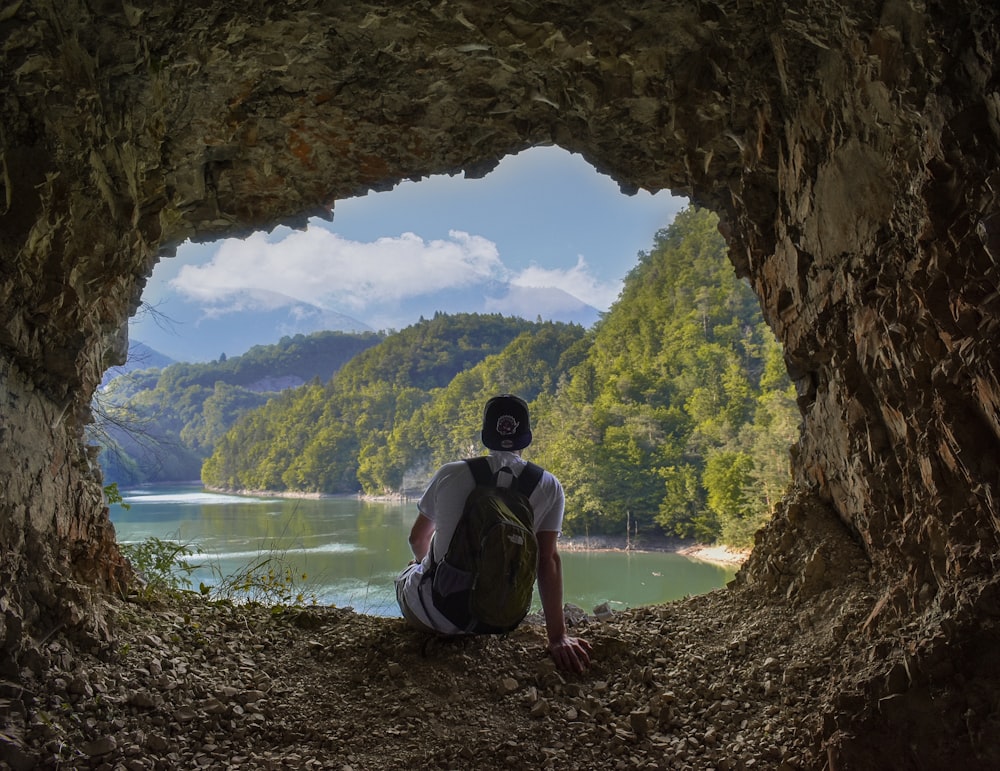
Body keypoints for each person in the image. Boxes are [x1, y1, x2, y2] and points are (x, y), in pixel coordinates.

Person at [395, 394, 592, 673]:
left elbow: (417, 539)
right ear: (526, 437)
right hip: (502, 617)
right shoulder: (549, 486)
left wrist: (422, 563)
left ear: (486, 435)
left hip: (436, 614)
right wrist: (557, 637)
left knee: (410, 571)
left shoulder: (450, 473)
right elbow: (547, 562)